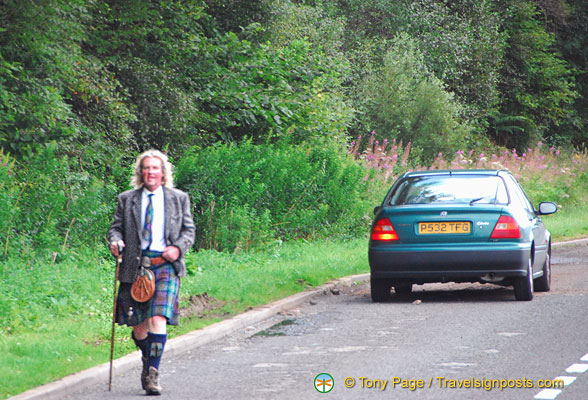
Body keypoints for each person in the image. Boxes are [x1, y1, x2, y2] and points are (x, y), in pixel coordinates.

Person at [108, 149, 195, 395]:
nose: (150, 172)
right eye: (146, 168)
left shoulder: (179, 198)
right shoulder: (127, 199)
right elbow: (115, 229)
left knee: (158, 319)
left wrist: (178, 248)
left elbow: (189, 231)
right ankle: (149, 361)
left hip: (165, 266)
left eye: (155, 168)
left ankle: (152, 375)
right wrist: (115, 243)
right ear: (140, 172)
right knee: (139, 327)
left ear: (163, 172)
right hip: (135, 267)